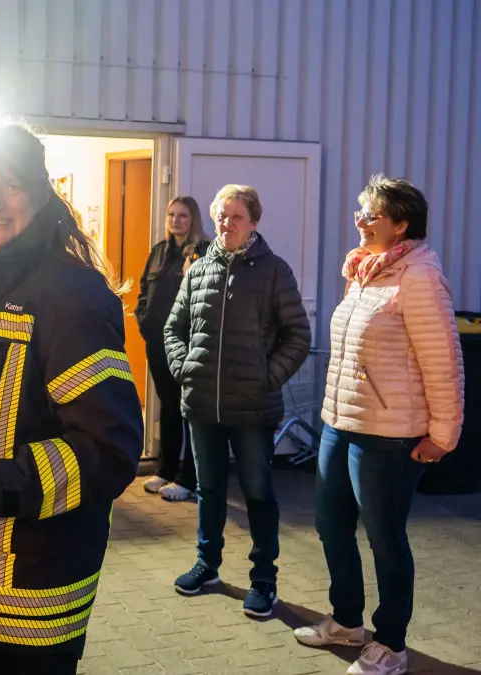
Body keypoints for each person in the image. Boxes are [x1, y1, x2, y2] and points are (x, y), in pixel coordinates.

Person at [0, 124, 144, 675]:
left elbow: (108, 448)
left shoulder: (73, 296)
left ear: (41, 193)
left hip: (24, 595)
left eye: (10, 187)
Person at [294, 175, 464, 675]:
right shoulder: (365, 271)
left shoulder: (419, 276)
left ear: (401, 224)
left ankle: (390, 644)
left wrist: (442, 435)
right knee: (330, 525)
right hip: (340, 422)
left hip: (391, 435)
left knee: (384, 538)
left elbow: (443, 360)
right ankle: (347, 623)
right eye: (359, 211)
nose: (361, 220)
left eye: (372, 214)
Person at [164, 184, 311, 617]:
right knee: (208, 489)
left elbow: (298, 336)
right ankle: (207, 564)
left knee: (258, 492)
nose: (226, 223)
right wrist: (184, 368)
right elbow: (174, 329)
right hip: (203, 404)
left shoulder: (274, 272)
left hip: (253, 408)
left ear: (254, 222)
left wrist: (267, 377)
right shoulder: (198, 269)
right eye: (221, 216)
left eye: (236, 216)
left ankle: (263, 579)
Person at [135, 196, 209, 502]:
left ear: (193, 220)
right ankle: (165, 470)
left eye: (183, 215)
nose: (176, 220)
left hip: (186, 343)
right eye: (171, 214)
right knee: (168, 406)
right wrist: (144, 322)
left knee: (189, 408)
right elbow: (143, 291)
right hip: (157, 342)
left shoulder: (203, 252)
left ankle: (188, 479)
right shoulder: (160, 251)